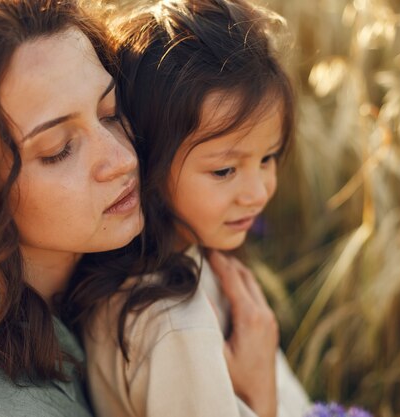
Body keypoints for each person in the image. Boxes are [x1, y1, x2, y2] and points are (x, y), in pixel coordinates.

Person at [0, 0, 284, 416]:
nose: (123, 159)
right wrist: (258, 397)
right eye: (59, 150)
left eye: (111, 113)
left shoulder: (98, 283)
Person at [68, 0, 309, 416]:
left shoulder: (180, 266)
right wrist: (260, 396)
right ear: (146, 156)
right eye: (225, 170)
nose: (257, 192)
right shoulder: (176, 328)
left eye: (267, 157)